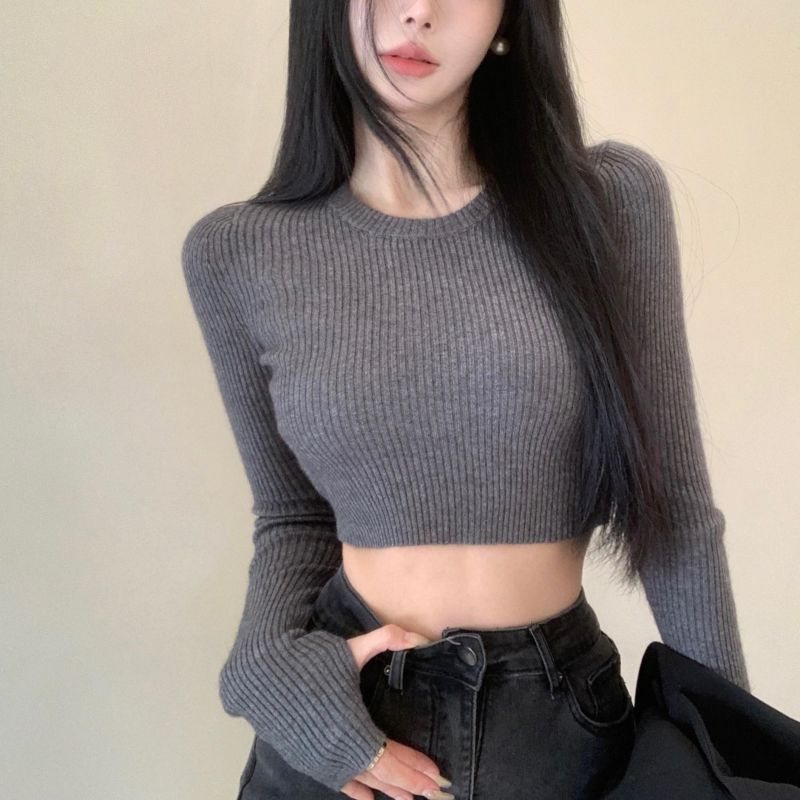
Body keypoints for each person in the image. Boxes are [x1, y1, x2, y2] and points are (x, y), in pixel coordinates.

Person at [181, 1, 750, 798]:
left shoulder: (610, 204)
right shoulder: (238, 252)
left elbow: (676, 515)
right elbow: (293, 516)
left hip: (556, 729)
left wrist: (735, 760)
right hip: (342, 721)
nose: (418, 11)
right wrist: (265, 666)